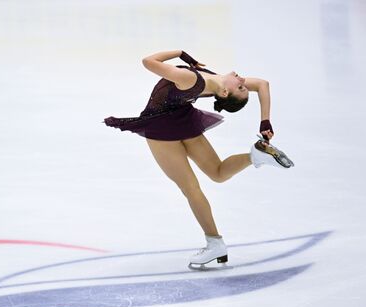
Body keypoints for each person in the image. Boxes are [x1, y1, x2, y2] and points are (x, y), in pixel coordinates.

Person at [102, 49, 293, 267]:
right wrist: (265, 122)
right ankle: (254, 156)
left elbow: (147, 61)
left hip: (160, 126)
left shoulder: (190, 78)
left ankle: (215, 244)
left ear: (223, 93)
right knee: (218, 173)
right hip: (183, 119)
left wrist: (181, 54)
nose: (242, 81)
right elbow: (262, 84)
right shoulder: (218, 81)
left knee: (191, 189)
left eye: (240, 86)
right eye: (242, 86)